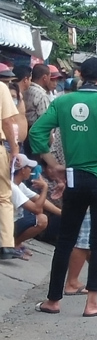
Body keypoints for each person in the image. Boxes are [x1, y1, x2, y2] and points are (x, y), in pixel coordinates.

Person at [29, 57, 97, 317]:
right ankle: (92, 304)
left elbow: (36, 133)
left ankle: (53, 301)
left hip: (74, 178)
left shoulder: (62, 102)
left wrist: (52, 164)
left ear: (80, 76)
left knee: (66, 240)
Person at [11, 154, 60, 258]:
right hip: (8, 224)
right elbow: (37, 209)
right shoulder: (12, 186)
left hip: (13, 221)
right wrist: (45, 188)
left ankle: (15, 244)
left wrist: (62, 213)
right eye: (29, 168)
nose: (31, 170)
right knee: (42, 219)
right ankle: (12, 246)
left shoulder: (20, 185)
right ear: (22, 170)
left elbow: (39, 199)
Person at [0, 81, 22, 259]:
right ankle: (6, 244)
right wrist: (14, 149)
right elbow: (7, 121)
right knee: (3, 197)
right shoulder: (1, 88)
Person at [6, 83, 27, 152]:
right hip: (8, 144)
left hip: (20, 144)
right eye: (9, 96)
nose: (11, 99)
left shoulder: (19, 103)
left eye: (13, 96)